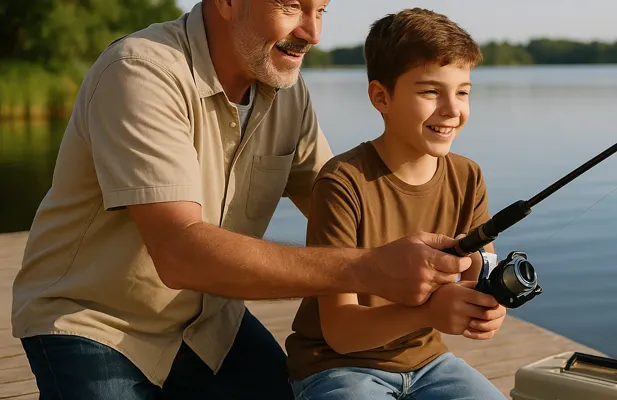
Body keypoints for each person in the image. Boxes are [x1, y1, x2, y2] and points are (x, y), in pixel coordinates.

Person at [10, 1, 476, 399]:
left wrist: (453, 263)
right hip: (98, 324)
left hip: (212, 323)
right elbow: (180, 253)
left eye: (322, 11)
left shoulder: (288, 94)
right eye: (291, 6)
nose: (311, 32)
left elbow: (347, 210)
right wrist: (369, 268)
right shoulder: (140, 70)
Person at [284, 8, 509, 400]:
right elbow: (341, 331)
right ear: (381, 97)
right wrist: (428, 313)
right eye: (429, 91)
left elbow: (481, 271)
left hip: (429, 362)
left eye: (462, 92)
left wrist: (488, 304)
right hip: (337, 366)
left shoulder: (467, 176)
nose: (452, 109)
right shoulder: (343, 182)